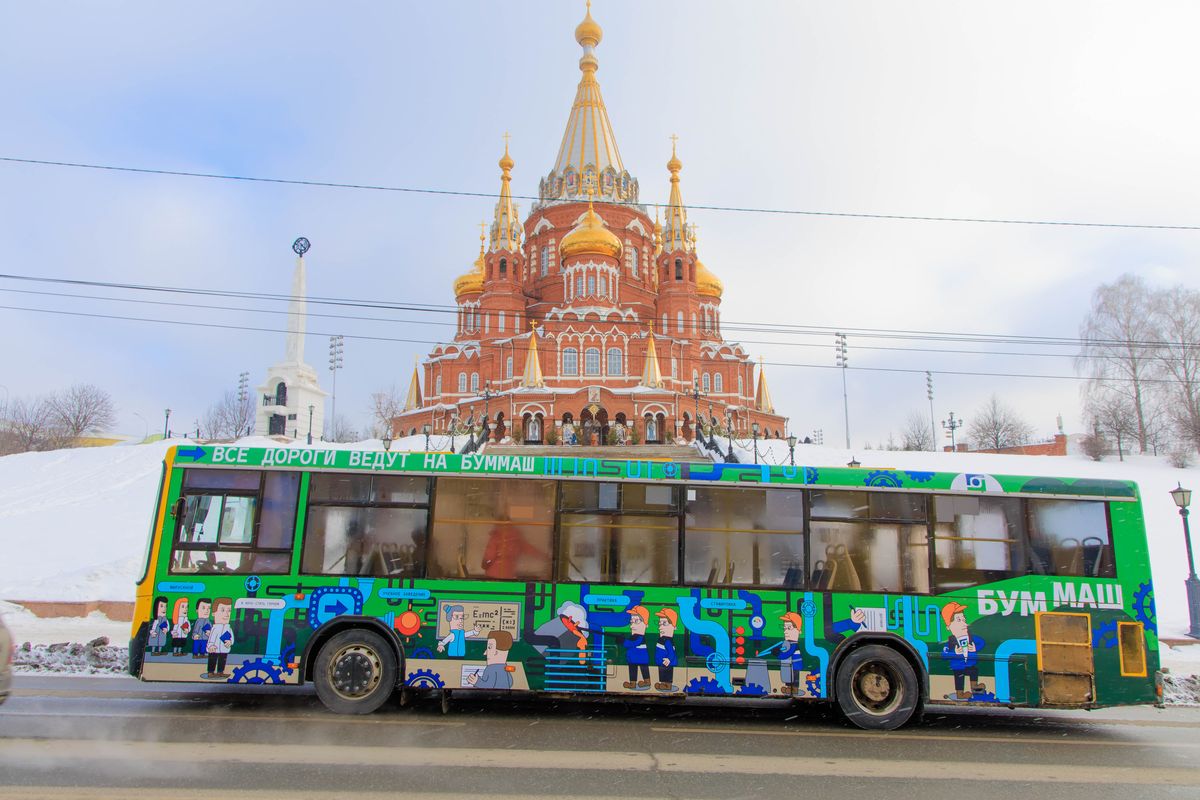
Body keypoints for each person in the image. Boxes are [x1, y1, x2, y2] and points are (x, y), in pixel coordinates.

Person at [941, 601, 986, 700]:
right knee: (959, 678)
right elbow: (944, 654)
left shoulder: (971, 638)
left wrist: (975, 648)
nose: (964, 623)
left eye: (964, 619)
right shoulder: (950, 642)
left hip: (970, 664)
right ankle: (960, 694)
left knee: (974, 671)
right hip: (958, 666)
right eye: (958, 620)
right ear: (949, 626)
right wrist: (955, 653)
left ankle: (975, 688)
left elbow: (982, 642)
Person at [481, 515, 549, 580]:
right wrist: (545, 557)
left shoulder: (496, 537)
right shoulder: (516, 537)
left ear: (498, 524)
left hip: (493, 575)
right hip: (509, 574)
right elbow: (529, 549)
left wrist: (484, 564)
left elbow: (489, 556)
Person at [204, 597, 235, 679]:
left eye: (229, 610)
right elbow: (211, 639)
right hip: (214, 649)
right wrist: (210, 646)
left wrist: (230, 642)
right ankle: (210, 672)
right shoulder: (215, 628)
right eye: (222, 610)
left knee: (222, 660)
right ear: (214, 613)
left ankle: (220, 672)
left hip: (224, 649)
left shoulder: (228, 628)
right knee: (212, 660)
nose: (227, 614)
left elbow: (231, 638)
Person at [622, 605, 651, 690]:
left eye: (636, 621)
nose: (631, 626)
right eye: (631, 622)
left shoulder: (639, 637)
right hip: (632, 658)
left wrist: (623, 641)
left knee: (643, 668)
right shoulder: (634, 636)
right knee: (632, 669)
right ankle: (633, 683)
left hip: (640, 657)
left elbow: (632, 643)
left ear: (646, 625)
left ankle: (647, 681)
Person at [654, 608, 679, 691]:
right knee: (662, 673)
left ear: (674, 627)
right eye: (659, 623)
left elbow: (672, 652)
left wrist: (668, 659)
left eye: (664, 623)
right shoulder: (662, 639)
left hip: (667, 663)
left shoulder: (668, 641)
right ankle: (663, 684)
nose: (660, 627)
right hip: (662, 663)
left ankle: (668, 685)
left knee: (668, 673)